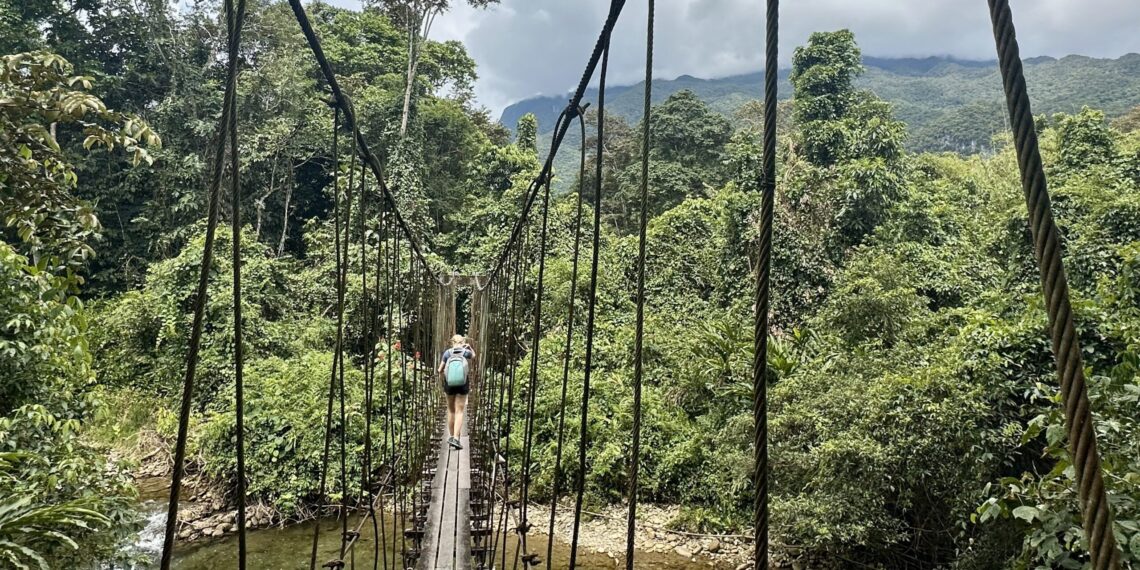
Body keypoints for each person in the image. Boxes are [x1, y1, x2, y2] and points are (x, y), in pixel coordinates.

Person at [438, 334, 474, 449]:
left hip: (449, 384)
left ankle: (451, 436)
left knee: (451, 410)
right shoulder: (465, 352)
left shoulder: (447, 353)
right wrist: (469, 347)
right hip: (463, 384)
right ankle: (456, 438)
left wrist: (445, 372)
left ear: (452, 342)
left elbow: (439, 370)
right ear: (462, 342)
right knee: (459, 411)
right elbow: (473, 356)